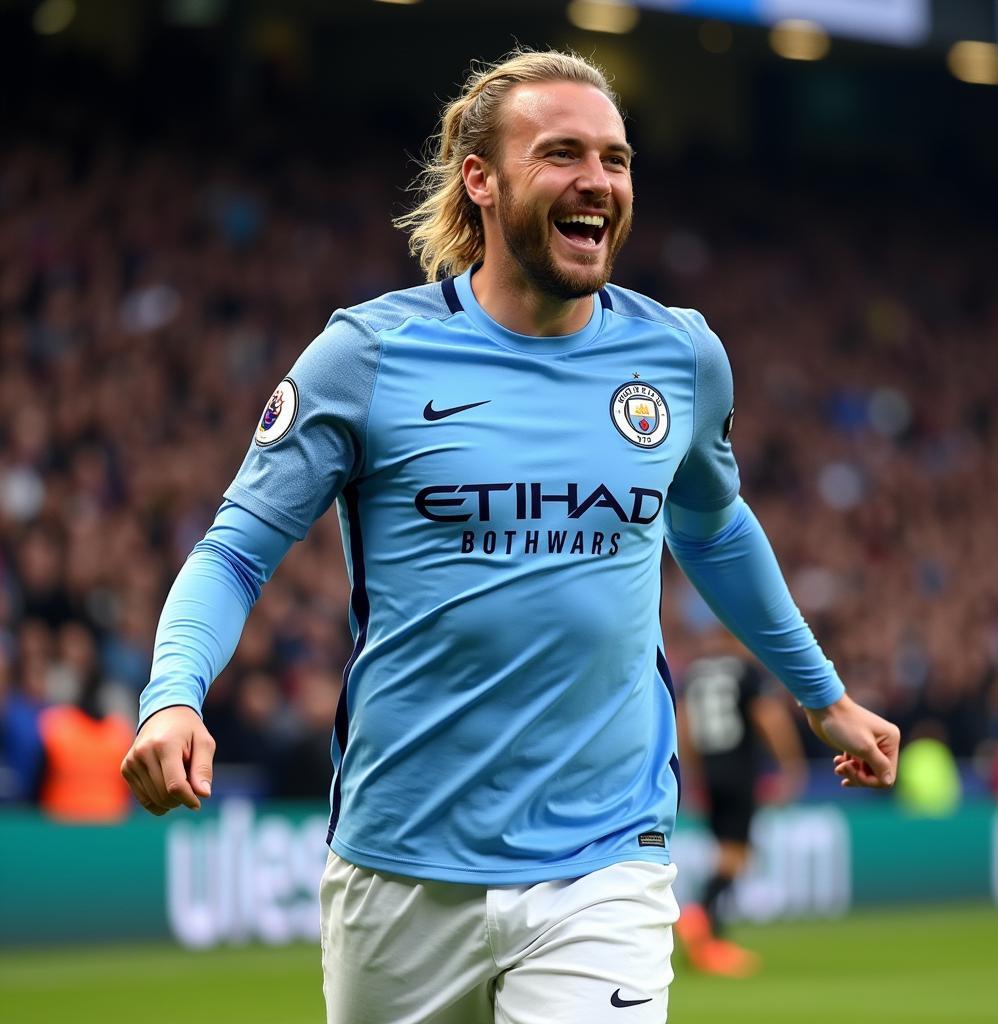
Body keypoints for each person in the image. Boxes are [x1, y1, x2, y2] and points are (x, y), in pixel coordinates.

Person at [121, 48, 900, 1024]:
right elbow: (236, 550)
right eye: (562, 153)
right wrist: (171, 698)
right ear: (479, 180)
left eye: (614, 159)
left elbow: (713, 528)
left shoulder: (679, 356)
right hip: (399, 862)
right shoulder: (368, 358)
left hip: (604, 856)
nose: (597, 182)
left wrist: (822, 695)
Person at [673, 631, 807, 977]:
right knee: (736, 857)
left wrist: (692, 774)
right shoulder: (745, 672)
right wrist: (791, 764)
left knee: (724, 852)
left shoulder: (694, 673)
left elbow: (683, 726)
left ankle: (711, 943)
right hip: (740, 771)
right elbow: (770, 718)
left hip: (711, 772)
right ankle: (699, 915)